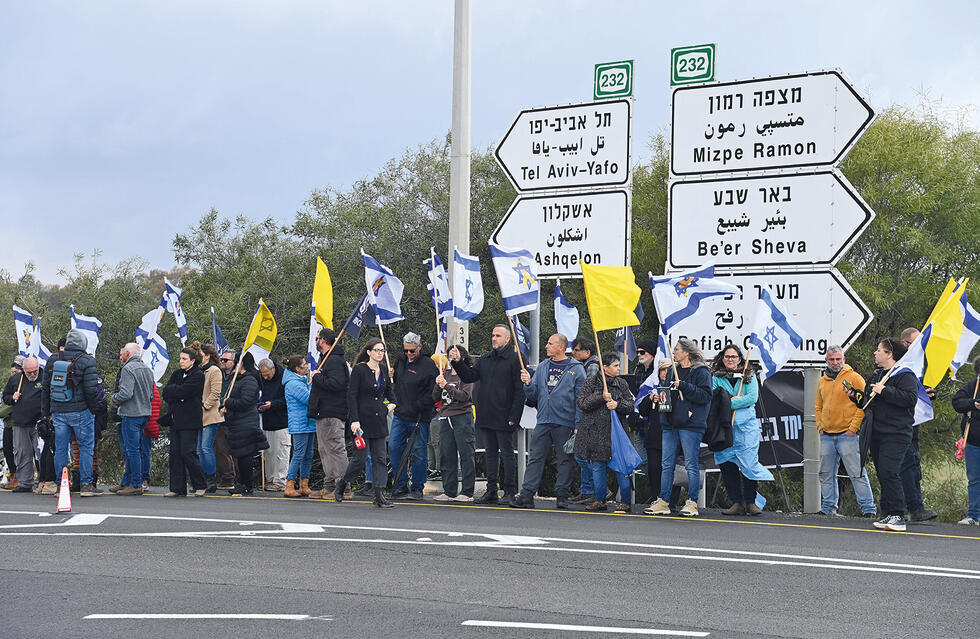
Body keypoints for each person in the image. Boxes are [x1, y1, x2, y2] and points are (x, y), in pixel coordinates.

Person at [847, 338, 918, 532]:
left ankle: (898, 515)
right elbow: (866, 402)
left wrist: (885, 390)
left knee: (890, 471)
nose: (875, 353)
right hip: (876, 432)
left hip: (896, 433)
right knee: (882, 473)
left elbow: (910, 399)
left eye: (879, 350)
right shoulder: (876, 375)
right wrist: (855, 396)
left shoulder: (904, 375)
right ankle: (887, 512)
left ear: (890, 354)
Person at [450, 325, 525, 504]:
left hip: (505, 415)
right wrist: (458, 362)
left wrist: (514, 417)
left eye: (498, 336)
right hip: (487, 413)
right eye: (492, 335)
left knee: (507, 453)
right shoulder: (486, 359)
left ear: (507, 339)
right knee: (490, 454)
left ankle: (509, 491)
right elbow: (469, 376)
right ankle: (491, 490)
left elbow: (519, 391)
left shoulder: (515, 359)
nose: (494, 338)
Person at [511, 333, 585, 509]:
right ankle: (527, 495)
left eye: (550, 343)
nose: (546, 346)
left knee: (564, 459)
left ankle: (562, 496)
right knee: (536, 457)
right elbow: (533, 395)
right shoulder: (543, 366)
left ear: (561, 347)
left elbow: (580, 400)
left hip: (565, 421)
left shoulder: (577, 369)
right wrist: (528, 384)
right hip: (543, 420)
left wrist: (578, 425)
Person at [645, 338, 711, 517]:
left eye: (676, 350)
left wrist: (685, 386)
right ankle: (663, 501)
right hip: (670, 424)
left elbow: (705, 396)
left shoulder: (701, 371)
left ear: (686, 352)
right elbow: (668, 392)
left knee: (691, 464)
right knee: (666, 464)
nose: (673, 352)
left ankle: (692, 503)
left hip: (691, 425)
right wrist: (659, 398)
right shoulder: (673, 370)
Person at [709, 345, 774, 516]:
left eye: (734, 356)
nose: (730, 359)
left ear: (739, 359)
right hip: (724, 427)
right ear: (722, 358)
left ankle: (751, 502)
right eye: (727, 356)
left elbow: (751, 398)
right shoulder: (716, 377)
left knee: (749, 464)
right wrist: (737, 400)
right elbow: (714, 399)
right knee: (727, 464)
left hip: (746, 430)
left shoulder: (748, 376)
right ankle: (736, 502)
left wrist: (728, 402)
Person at [815, 345, 876, 517]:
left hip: (847, 435)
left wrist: (853, 428)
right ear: (826, 360)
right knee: (825, 473)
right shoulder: (822, 380)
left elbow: (864, 403)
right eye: (832, 359)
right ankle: (828, 508)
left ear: (844, 359)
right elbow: (818, 405)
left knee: (856, 472)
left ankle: (868, 509)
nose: (835, 362)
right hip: (826, 434)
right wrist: (820, 426)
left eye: (838, 359)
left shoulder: (854, 378)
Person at [335, 338, 396, 508]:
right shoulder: (360, 370)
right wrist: (354, 420)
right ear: (369, 352)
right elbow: (352, 395)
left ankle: (379, 495)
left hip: (379, 422)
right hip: (361, 422)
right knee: (360, 459)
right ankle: (342, 483)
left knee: (380, 459)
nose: (380, 353)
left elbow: (391, 395)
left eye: (382, 351)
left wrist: (390, 406)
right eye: (377, 350)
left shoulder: (384, 370)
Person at [41, 329, 103, 496]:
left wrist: (46, 412)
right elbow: (91, 390)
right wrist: (93, 408)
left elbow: (45, 388)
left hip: (58, 411)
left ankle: (62, 485)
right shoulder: (87, 360)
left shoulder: (53, 359)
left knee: (60, 449)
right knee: (86, 447)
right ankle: (86, 485)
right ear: (83, 343)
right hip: (81, 411)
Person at [574, 352, 636, 512]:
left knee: (621, 466)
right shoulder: (591, 382)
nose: (618, 368)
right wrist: (600, 397)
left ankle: (626, 502)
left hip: (617, 433)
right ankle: (600, 500)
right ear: (604, 367)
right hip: (595, 432)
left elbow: (630, 405)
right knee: (597, 466)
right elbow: (582, 403)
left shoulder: (621, 383)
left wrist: (617, 404)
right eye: (615, 365)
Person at [389, 332, 438, 500]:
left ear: (420, 348)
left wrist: (420, 406)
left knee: (419, 452)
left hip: (419, 416)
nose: (409, 354)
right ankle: (400, 484)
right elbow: (397, 382)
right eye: (406, 350)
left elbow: (433, 392)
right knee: (394, 448)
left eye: (412, 351)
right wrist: (392, 376)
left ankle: (417, 487)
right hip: (400, 414)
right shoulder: (400, 361)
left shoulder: (428, 364)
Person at [897, 327, 938, 522]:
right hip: (899, 426)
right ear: (905, 343)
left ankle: (913, 507)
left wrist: (927, 394)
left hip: (914, 424)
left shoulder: (916, 366)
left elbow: (916, 393)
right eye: (914, 343)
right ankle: (907, 507)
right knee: (905, 466)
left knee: (913, 467)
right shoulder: (898, 366)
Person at [308, 328, 350, 499]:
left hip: (333, 411)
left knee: (335, 448)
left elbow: (337, 384)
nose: (316, 341)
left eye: (317, 338)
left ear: (323, 340)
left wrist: (317, 377)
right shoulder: (325, 359)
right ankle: (330, 484)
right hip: (323, 410)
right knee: (324, 449)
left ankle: (343, 488)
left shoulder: (334, 361)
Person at [161, 345, 208, 497]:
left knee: (188, 452)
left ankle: (200, 485)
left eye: (184, 359)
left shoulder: (198, 375)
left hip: (190, 420)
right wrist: (177, 392)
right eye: (180, 358)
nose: (181, 362)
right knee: (175, 453)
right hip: (176, 419)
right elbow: (166, 392)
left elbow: (186, 391)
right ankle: (177, 488)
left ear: (192, 361)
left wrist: (177, 392)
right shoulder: (177, 374)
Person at [220, 352, 269, 495]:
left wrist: (228, 402)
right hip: (237, 422)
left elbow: (246, 401)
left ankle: (247, 485)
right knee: (240, 456)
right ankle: (243, 483)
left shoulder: (249, 380)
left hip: (246, 422)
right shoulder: (239, 379)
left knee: (244, 455)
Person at [636, 357, 682, 510]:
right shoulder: (652, 388)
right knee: (654, 469)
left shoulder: (679, 389)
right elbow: (641, 410)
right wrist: (650, 399)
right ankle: (658, 499)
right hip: (654, 437)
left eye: (669, 370)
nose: (665, 373)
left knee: (671, 469)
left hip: (673, 436)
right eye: (662, 369)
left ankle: (672, 502)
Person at [432, 346, 476, 502]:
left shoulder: (466, 375)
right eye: (449, 355)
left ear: (462, 357)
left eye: (454, 355)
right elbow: (435, 397)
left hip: (462, 416)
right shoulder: (445, 374)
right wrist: (438, 384)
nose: (451, 358)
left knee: (466, 453)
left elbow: (464, 396)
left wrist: (447, 386)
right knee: (446, 454)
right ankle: (449, 490)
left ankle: (467, 491)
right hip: (445, 416)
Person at [110, 343, 154, 495]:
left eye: (122, 353)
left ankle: (135, 484)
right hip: (144, 413)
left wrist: (114, 398)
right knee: (135, 449)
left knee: (132, 450)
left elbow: (126, 393)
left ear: (128, 353)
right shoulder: (147, 369)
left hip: (131, 414)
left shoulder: (127, 369)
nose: (120, 356)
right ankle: (126, 482)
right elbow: (151, 394)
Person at [2, 356, 43, 493]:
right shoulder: (16, 379)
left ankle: (44, 480)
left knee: (41, 453)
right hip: (20, 422)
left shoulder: (44, 377)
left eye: (34, 371)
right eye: (29, 372)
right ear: (23, 370)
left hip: (39, 423)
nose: (32, 374)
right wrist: (12, 397)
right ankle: (25, 482)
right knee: (22, 453)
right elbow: (6, 397)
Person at [282, 355, 316, 498]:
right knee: (299, 454)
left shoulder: (301, 381)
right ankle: (289, 484)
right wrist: (314, 383)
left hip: (308, 422)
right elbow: (309, 399)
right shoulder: (292, 383)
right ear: (297, 368)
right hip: (299, 423)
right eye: (304, 365)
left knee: (308, 454)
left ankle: (304, 485)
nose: (307, 366)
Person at [951, 356, 980, 526]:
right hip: (973, 443)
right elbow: (956, 402)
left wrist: (974, 412)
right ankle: (974, 516)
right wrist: (972, 404)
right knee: (975, 479)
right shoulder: (972, 386)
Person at [257, 357, 289, 491]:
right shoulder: (262, 379)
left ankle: (280, 481)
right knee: (268, 453)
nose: (265, 377)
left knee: (281, 453)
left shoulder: (284, 377)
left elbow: (288, 398)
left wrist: (273, 404)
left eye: (267, 374)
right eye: (263, 375)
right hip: (267, 421)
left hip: (282, 421)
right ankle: (269, 480)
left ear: (273, 369)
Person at [197, 343, 223, 493]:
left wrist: (204, 406)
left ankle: (211, 479)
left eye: (200, 353)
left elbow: (215, 393)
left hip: (210, 415)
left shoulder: (214, 370)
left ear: (207, 355)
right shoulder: (200, 371)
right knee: (199, 449)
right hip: (199, 416)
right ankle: (203, 478)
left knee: (206, 448)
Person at [214, 350, 239, 491]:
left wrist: (225, 401)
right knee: (220, 448)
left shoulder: (238, 377)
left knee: (230, 449)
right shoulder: (219, 374)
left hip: (233, 417)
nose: (222, 362)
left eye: (226, 360)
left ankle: (231, 478)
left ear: (234, 362)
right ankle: (226, 477)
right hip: (219, 416)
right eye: (221, 360)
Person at [1, 356, 24, 489]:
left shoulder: (24, 384)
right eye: (12, 372)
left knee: (19, 452)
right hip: (8, 424)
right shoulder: (11, 384)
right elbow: (6, 399)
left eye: (16, 372)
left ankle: (20, 478)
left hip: (18, 423)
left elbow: (11, 406)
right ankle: (14, 477)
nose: (13, 375)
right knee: (8, 451)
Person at [141, 382, 161, 490]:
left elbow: (155, 403)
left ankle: (142, 478)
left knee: (142, 451)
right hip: (146, 421)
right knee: (142, 451)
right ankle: (141, 478)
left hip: (143, 421)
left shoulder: (148, 383)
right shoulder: (150, 382)